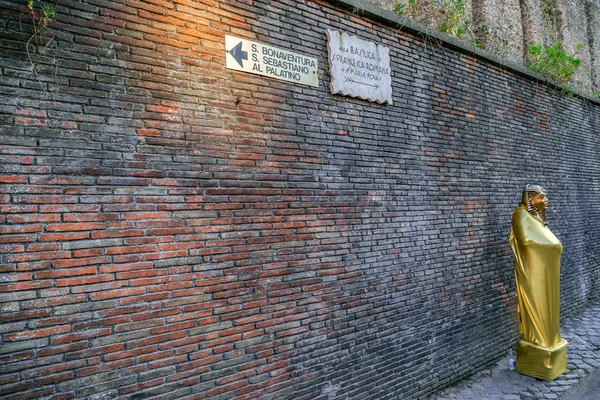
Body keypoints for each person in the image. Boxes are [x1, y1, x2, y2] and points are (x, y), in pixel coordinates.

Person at [508, 185, 567, 381]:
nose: (546, 200)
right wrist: (553, 245)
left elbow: (546, 239)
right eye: (542, 197)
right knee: (536, 305)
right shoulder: (520, 215)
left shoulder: (537, 220)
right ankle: (536, 341)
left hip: (546, 273)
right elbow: (526, 241)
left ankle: (549, 340)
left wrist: (553, 245)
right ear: (530, 199)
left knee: (549, 306)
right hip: (532, 273)